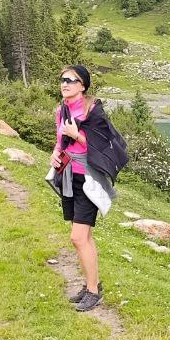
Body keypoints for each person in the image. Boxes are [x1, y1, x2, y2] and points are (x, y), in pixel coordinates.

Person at [51, 65, 115, 312]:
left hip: (88, 180)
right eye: (62, 79)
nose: (65, 84)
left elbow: (103, 143)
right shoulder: (62, 110)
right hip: (68, 177)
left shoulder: (92, 110)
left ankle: (93, 293)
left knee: (77, 237)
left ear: (83, 85)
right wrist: (55, 154)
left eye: (71, 80)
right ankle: (91, 284)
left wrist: (77, 135)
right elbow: (60, 142)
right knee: (84, 238)